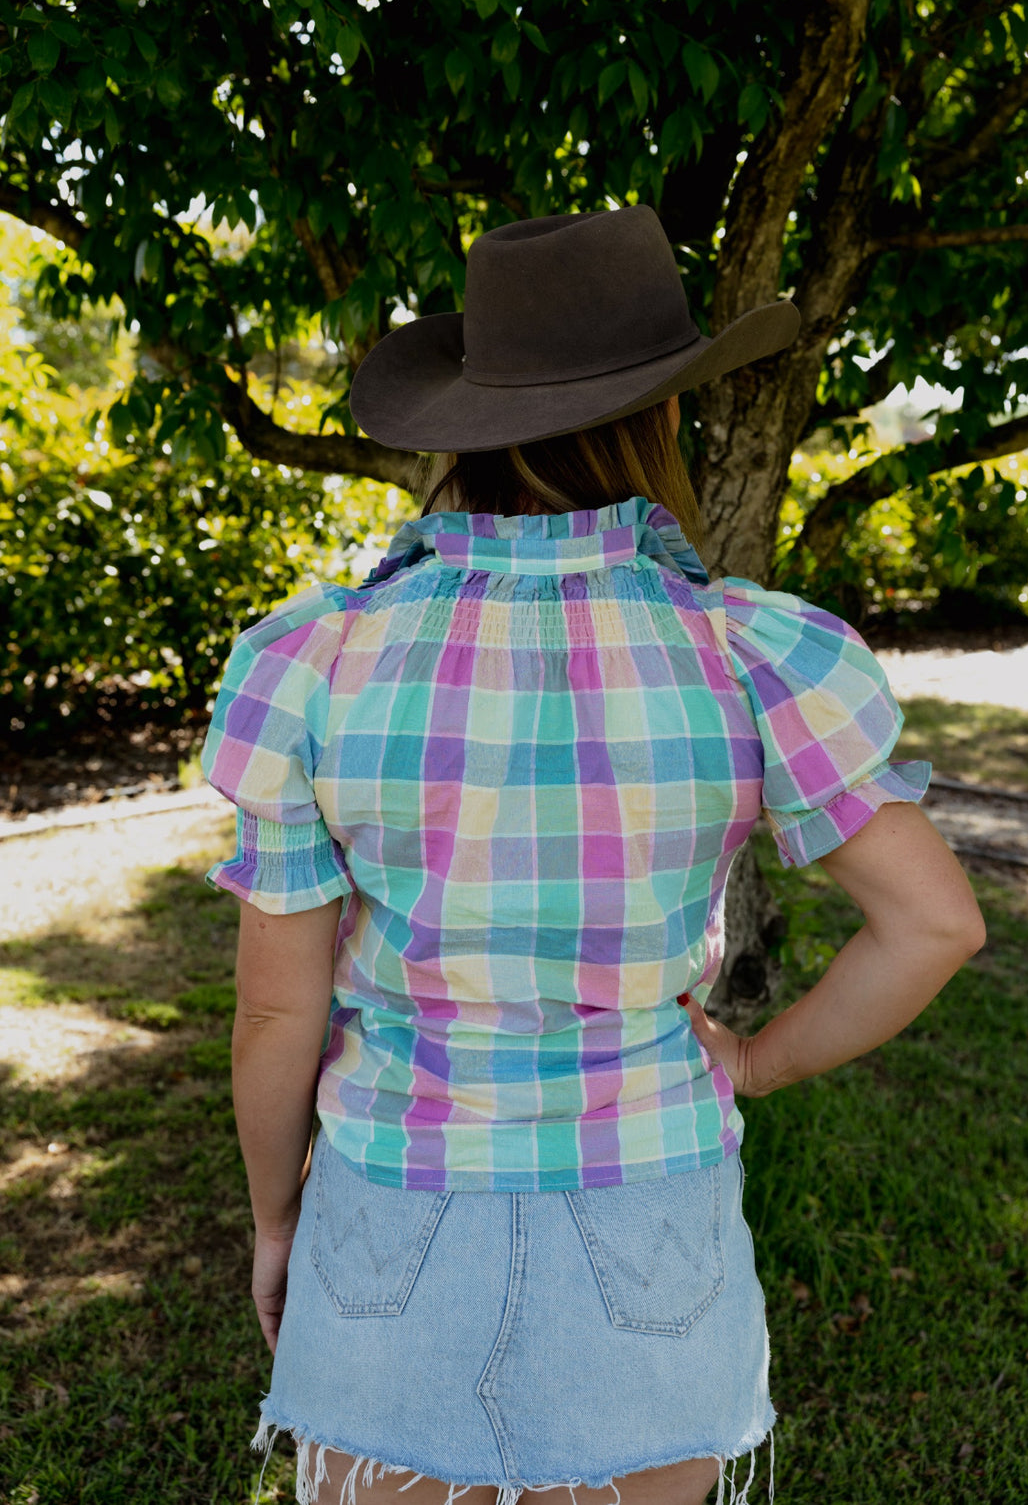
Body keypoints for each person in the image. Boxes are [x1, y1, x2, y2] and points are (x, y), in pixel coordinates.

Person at [202, 205, 985, 1505]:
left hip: (389, 1210)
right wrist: (755, 1060)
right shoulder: (746, 651)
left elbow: (276, 1012)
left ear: (466, 428)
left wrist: (277, 1218)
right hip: (649, 1213)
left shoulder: (319, 661)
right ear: (663, 414)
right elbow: (935, 925)